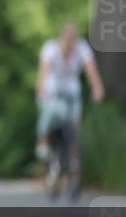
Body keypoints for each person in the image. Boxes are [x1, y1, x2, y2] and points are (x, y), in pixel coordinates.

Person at [35, 23, 105, 166]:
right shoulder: (51, 49)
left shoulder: (81, 49)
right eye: (67, 39)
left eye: (72, 40)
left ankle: (73, 158)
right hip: (52, 90)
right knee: (48, 114)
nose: (69, 43)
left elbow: (91, 70)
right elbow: (43, 72)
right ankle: (43, 141)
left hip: (72, 92)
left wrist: (97, 87)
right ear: (61, 38)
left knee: (75, 124)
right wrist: (42, 89)